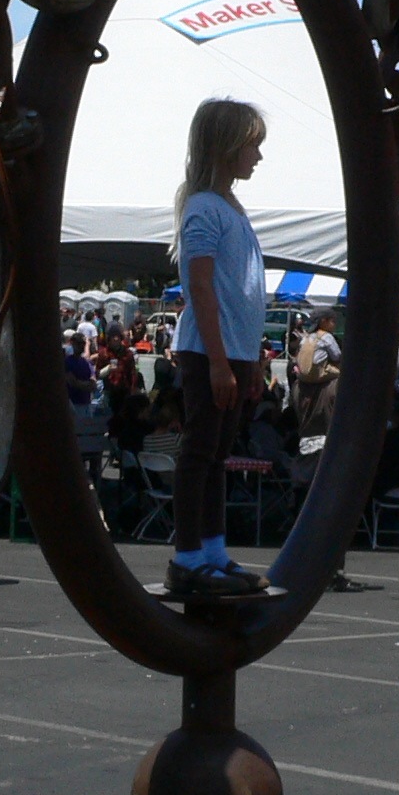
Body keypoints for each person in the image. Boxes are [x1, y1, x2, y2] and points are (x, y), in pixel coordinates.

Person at [165, 98, 272, 602]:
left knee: (215, 456)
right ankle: (188, 558)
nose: (258, 156)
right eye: (252, 145)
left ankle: (211, 552)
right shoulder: (206, 207)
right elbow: (201, 287)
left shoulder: (228, 207)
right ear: (227, 147)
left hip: (232, 351)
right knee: (200, 452)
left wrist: (249, 359)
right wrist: (218, 362)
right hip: (212, 350)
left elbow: (239, 290)